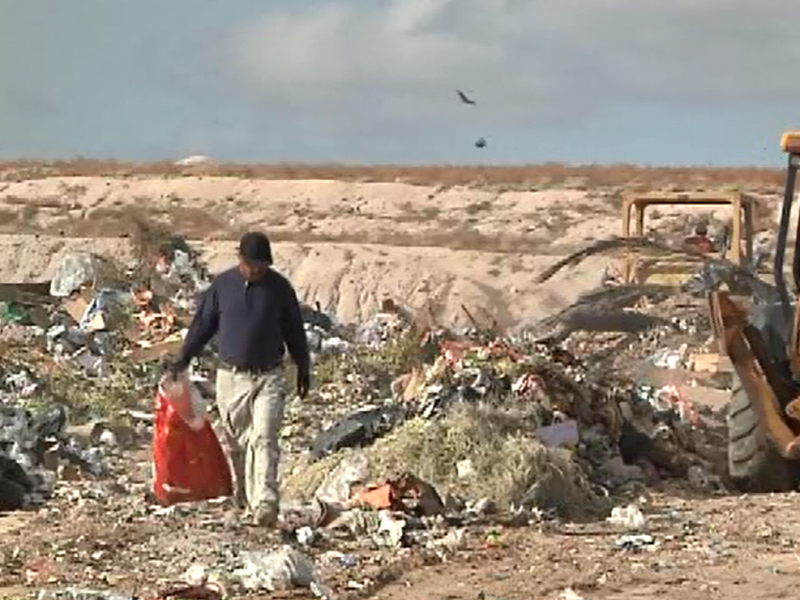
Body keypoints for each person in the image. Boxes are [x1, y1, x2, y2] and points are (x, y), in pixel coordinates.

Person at [171, 231, 310, 526]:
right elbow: (202, 327)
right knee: (238, 442)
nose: (258, 270)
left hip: (269, 376)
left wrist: (303, 366)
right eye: (253, 264)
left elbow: (295, 330)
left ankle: (266, 502)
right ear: (241, 260)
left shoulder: (279, 289)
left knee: (265, 437)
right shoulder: (223, 286)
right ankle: (246, 497)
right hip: (231, 377)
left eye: (263, 265)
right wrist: (183, 358)